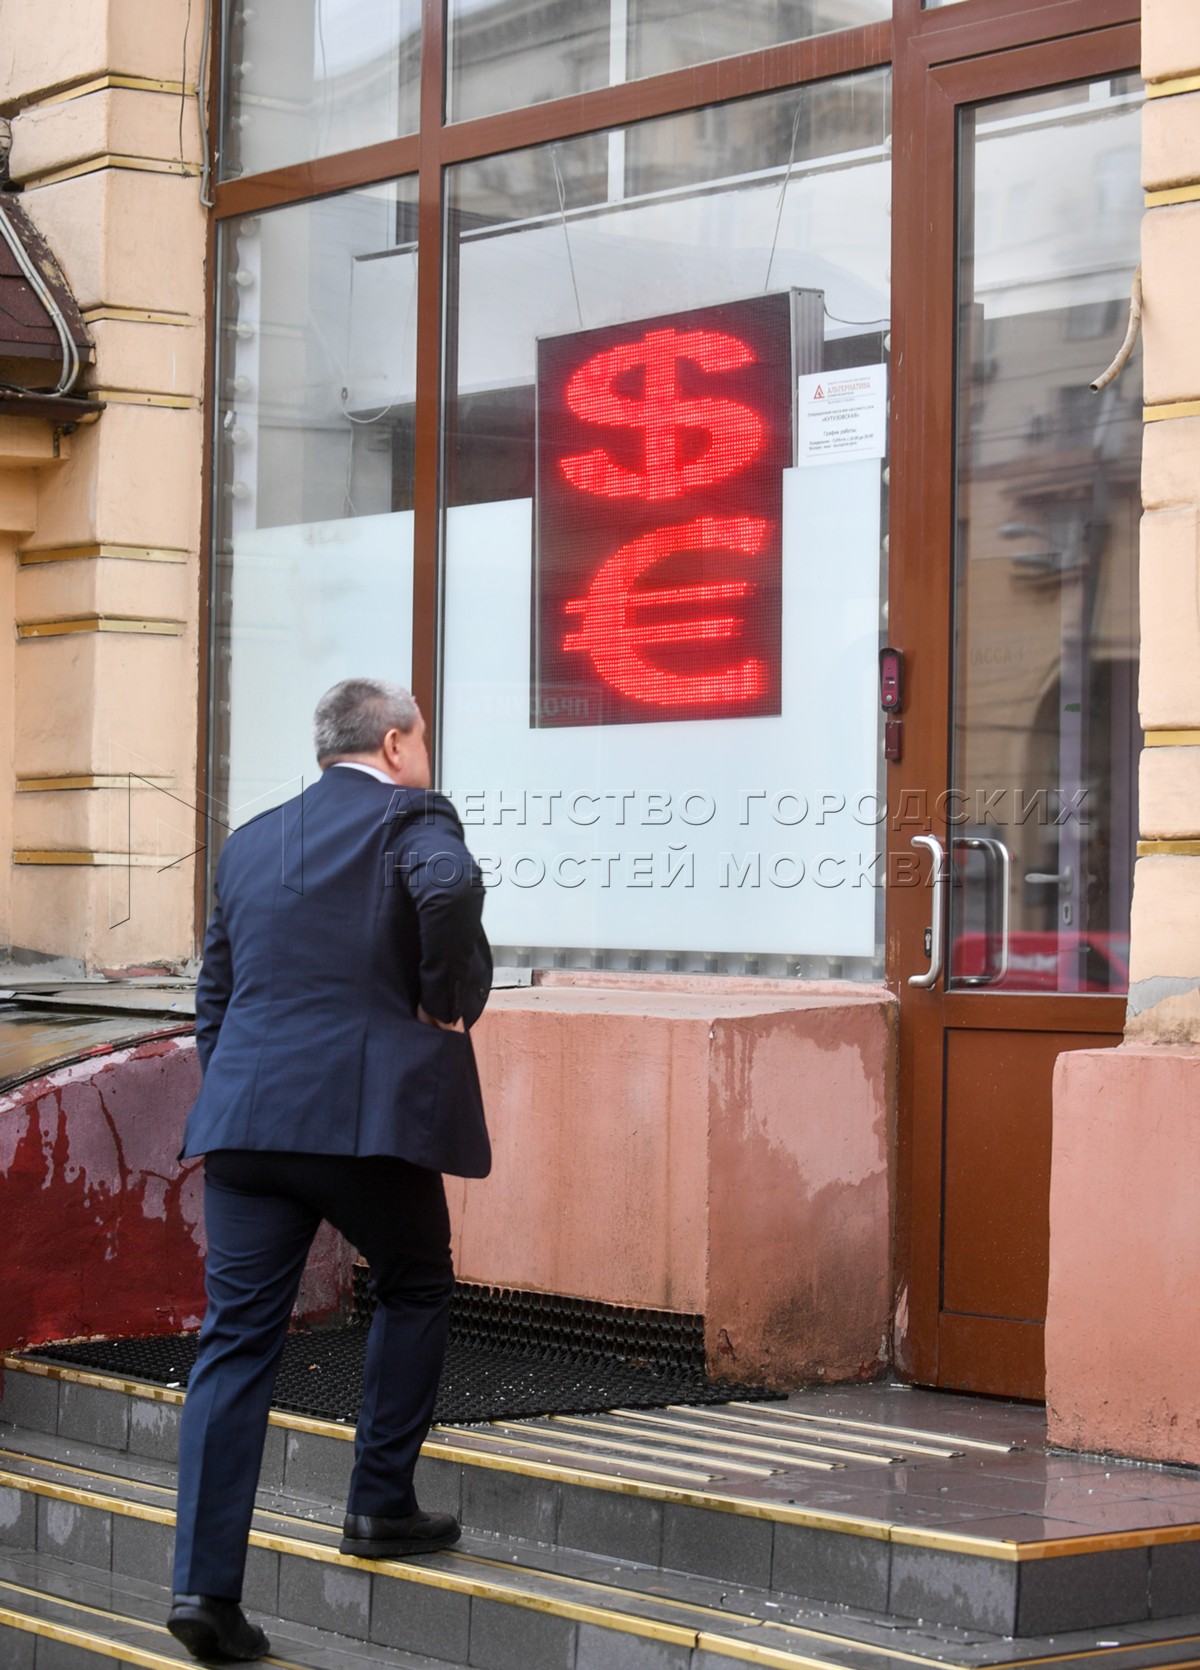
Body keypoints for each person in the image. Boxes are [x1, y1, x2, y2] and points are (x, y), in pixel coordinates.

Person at [167, 678, 492, 1665]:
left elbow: (216, 997)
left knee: (234, 1343)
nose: (424, 755)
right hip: (361, 1123)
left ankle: (203, 1590)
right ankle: (379, 1501)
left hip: (246, 1125)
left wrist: (245, 1091)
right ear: (393, 743)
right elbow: (450, 890)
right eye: (421, 738)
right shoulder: (413, 817)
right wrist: (441, 997)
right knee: (416, 1278)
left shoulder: (252, 841)